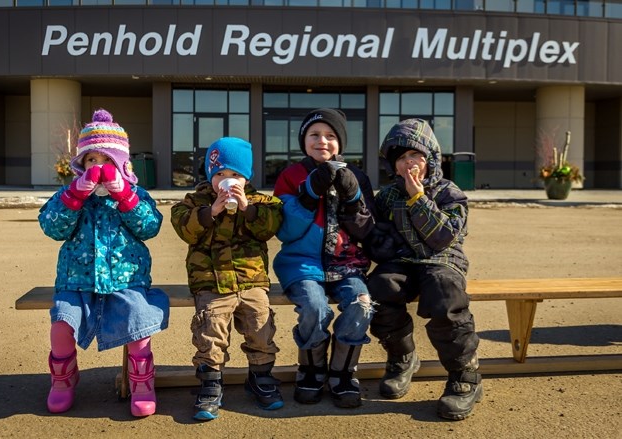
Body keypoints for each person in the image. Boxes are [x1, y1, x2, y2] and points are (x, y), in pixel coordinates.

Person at [38, 109, 169, 418]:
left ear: (122, 165)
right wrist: (74, 196)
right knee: (61, 324)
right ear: (81, 165)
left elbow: (150, 227)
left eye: (107, 161)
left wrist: (125, 196)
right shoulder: (70, 194)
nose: (98, 168)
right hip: (75, 282)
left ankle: (141, 382)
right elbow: (51, 227)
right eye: (91, 161)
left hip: (126, 282)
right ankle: (62, 381)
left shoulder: (135, 194)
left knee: (139, 323)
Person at [366, 118, 482, 420]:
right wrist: (391, 247)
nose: (408, 163)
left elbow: (443, 236)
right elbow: (377, 239)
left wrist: (418, 198)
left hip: (442, 260)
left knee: (444, 293)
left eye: (415, 155)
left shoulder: (448, 192)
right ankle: (402, 356)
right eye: (401, 158)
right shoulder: (389, 195)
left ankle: (465, 375)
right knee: (379, 286)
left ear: (430, 157)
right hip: (404, 261)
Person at [170, 137, 284, 421]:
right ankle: (210, 383)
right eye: (220, 174)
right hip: (210, 281)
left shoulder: (262, 201)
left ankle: (260, 376)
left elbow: (270, 227)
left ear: (247, 177)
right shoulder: (195, 201)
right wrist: (211, 212)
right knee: (211, 329)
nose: (227, 180)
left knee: (261, 325)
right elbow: (183, 226)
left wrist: (248, 208)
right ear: (210, 176)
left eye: (235, 175)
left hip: (251, 280)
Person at [273, 108, 375, 409]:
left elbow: (367, 229)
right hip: (302, 263)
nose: (322, 141)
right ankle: (311, 369)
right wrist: (307, 194)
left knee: (362, 304)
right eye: (314, 135)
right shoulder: (291, 176)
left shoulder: (357, 176)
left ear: (341, 143)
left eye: (330, 136)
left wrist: (354, 198)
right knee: (315, 309)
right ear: (304, 140)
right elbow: (285, 231)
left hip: (348, 265)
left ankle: (342, 371)